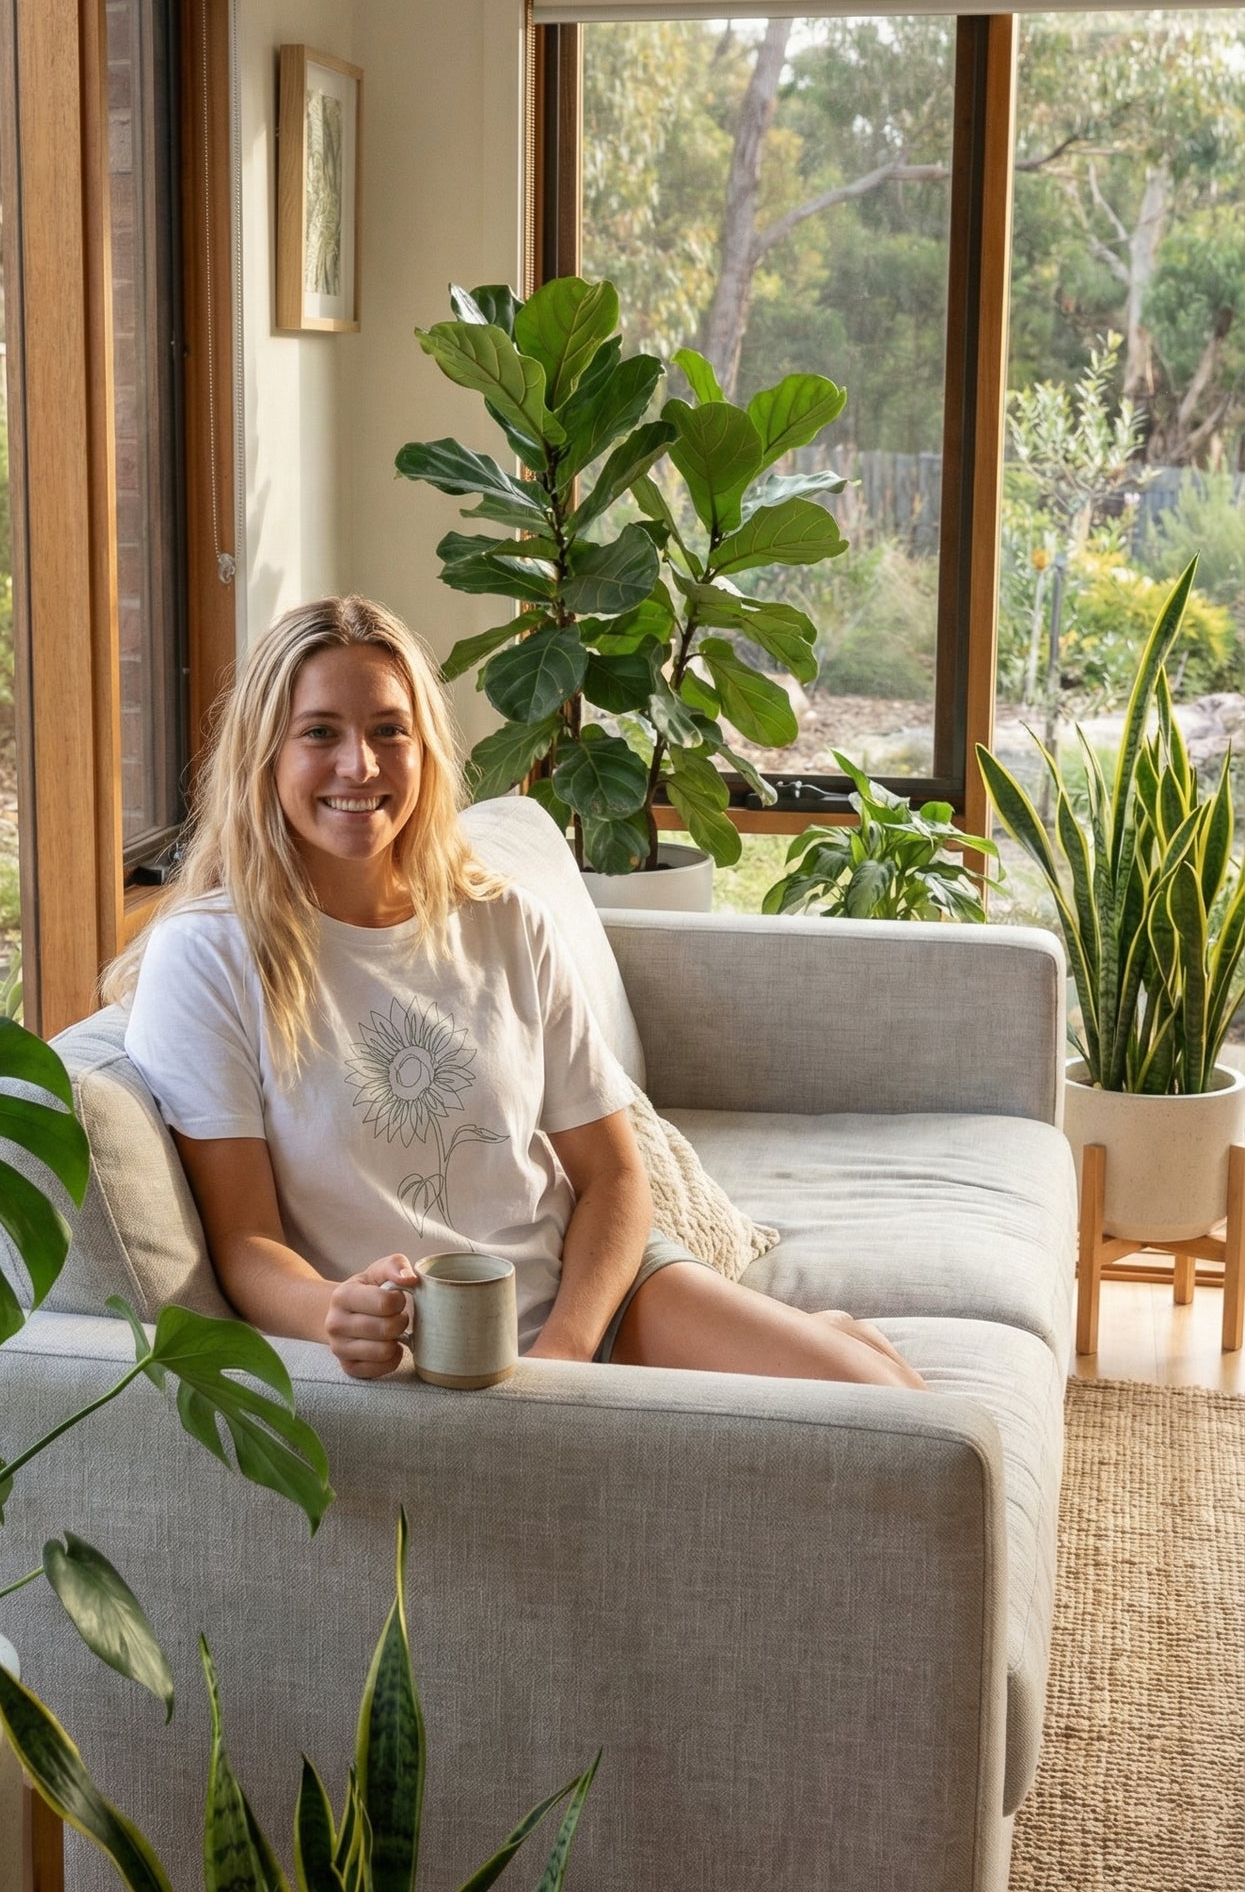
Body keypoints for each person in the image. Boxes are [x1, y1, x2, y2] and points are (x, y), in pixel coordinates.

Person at [114, 595, 925, 1394]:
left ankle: (831, 1342)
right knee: (883, 1425)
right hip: (441, 1349)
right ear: (266, 756)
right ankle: (827, 1337)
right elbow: (245, 1240)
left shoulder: (501, 920)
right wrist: (335, 1309)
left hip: (594, 1300)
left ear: (424, 748)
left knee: (893, 1411)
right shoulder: (211, 956)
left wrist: (568, 1351)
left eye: (388, 730)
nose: (358, 765)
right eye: (319, 732)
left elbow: (611, 1176)